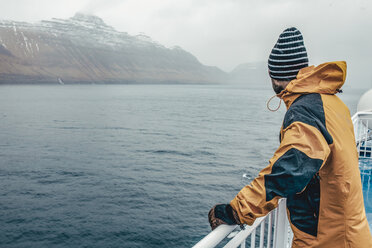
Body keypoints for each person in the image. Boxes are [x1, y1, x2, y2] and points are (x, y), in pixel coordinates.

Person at [208, 27, 372, 247]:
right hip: (349, 230)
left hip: (328, 239)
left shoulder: (305, 110)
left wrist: (236, 210)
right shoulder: (332, 103)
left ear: (274, 75)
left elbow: (289, 170)